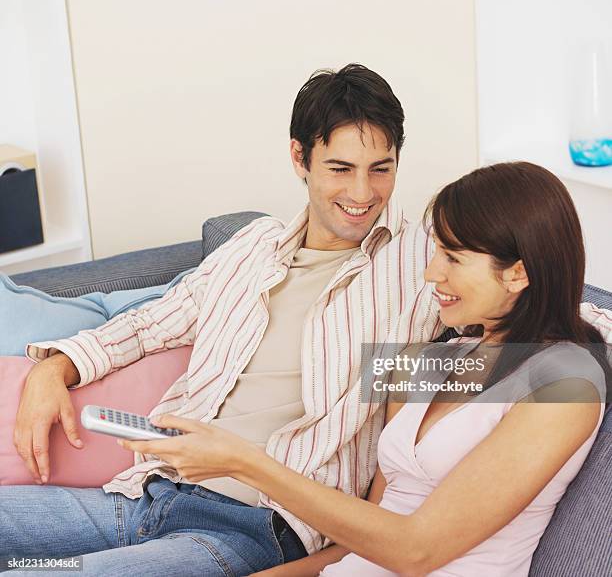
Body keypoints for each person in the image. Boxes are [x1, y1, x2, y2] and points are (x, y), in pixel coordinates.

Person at [2, 64, 443, 575]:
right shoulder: (253, 247)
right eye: (341, 169)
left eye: (381, 169)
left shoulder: (423, 265)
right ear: (300, 157)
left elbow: (531, 354)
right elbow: (150, 324)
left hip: (257, 528)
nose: (363, 194)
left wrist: (426, 377)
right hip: (149, 494)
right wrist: (54, 368)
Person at [115, 162, 609, 576]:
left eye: (453, 258)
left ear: (519, 272)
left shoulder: (566, 382)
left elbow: (416, 550)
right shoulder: (433, 357)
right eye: (436, 251)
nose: (432, 273)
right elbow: (360, 537)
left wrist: (244, 462)